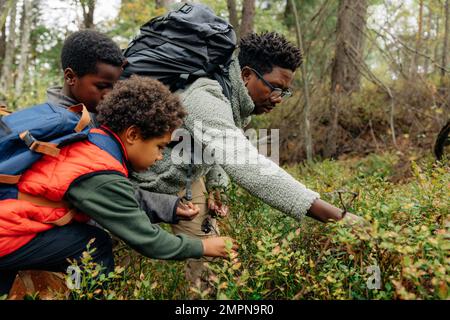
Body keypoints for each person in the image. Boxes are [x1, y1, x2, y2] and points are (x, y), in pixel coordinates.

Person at [130, 31, 365, 286]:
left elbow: (209, 141)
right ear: (246, 75)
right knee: (108, 251)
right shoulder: (204, 98)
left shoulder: (236, 98)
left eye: (285, 92)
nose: (278, 98)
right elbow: (249, 166)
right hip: (143, 178)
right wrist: (336, 216)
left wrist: (216, 185)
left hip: (185, 180)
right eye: (275, 87)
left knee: (210, 261)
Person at [0, 76, 236, 296]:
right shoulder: (101, 170)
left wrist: (170, 207)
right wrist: (203, 247)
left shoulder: (92, 141)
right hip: (7, 234)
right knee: (92, 246)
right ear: (132, 134)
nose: (159, 157)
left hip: (9, 224)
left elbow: (119, 193)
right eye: (159, 147)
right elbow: (149, 241)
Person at [47, 29, 198, 224]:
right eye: (101, 86)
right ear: (70, 77)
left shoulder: (91, 114)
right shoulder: (66, 129)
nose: (109, 94)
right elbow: (106, 192)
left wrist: (170, 206)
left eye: (113, 85)